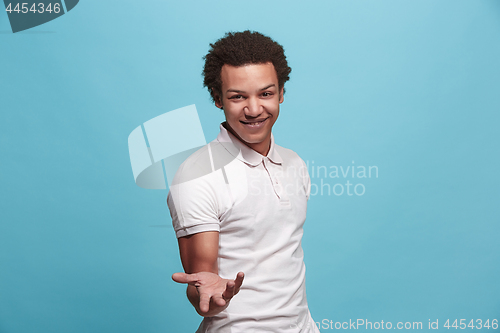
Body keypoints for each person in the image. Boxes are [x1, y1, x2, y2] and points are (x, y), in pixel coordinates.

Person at [167, 30, 319, 333]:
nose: (253, 109)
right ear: (217, 98)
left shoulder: (295, 164)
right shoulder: (197, 176)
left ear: (281, 93)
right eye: (238, 96)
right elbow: (200, 283)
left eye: (265, 94)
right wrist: (208, 294)